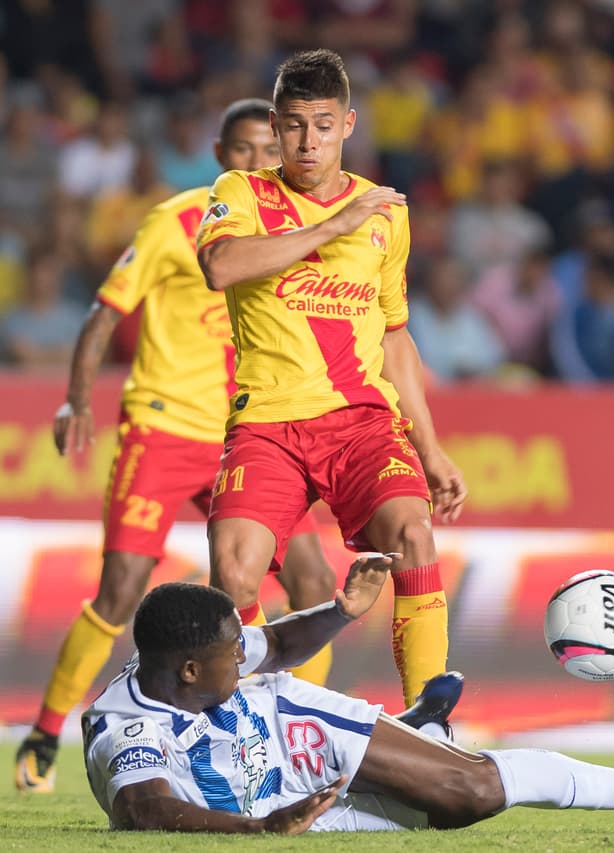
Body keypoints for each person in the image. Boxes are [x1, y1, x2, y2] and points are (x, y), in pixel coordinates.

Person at [14, 99, 339, 793]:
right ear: (221, 155)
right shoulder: (176, 221)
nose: (258, 162)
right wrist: (77, 396)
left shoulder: (293, 226)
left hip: (246, 436)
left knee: (313, 583)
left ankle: (290, 740)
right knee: (121, 589)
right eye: (244, 150)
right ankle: (44, 734)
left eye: (268, 149)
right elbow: (105, 313)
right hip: (163, 426)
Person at [83, 573, 614, 836]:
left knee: (470, 790)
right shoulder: (128, 727)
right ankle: (419, 731)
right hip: (262, 808)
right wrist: (259, 830)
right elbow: (143, 808)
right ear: (192, 668)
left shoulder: (213, 665)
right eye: (236, 652)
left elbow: (283, 643)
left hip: (284, 731)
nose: (248, 652)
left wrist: (343, 610)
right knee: (428, 818)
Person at [196, 49, 464, 712]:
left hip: (361, 424)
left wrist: (429, 447)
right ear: (277, 128)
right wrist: (332, 225)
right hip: (269, 426)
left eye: (321, 124)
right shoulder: (242, 193)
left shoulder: (385, 213)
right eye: (292, 125)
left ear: (348, 123)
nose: (307, 141)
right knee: (233, 570)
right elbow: (221, 266)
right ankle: (247, 727)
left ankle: (428, 725)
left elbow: (394, 334)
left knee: (413, 534)